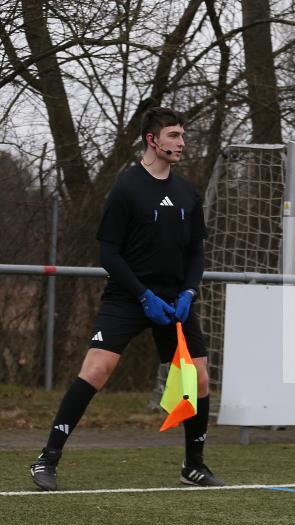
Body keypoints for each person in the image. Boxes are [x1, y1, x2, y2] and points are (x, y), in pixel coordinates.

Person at [29, 107, 223, 491]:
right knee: (96, 369)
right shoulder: (126, 188)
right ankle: (46, 458)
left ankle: (193, 465)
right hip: (128, 297)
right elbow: (109, 254)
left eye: (183, 135)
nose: (181, 143)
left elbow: (196, 254)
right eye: (173, 135)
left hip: (175, 301)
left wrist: (188, 292)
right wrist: (143, 295)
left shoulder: (187, 192)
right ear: (152, 140)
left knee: (198, 378)